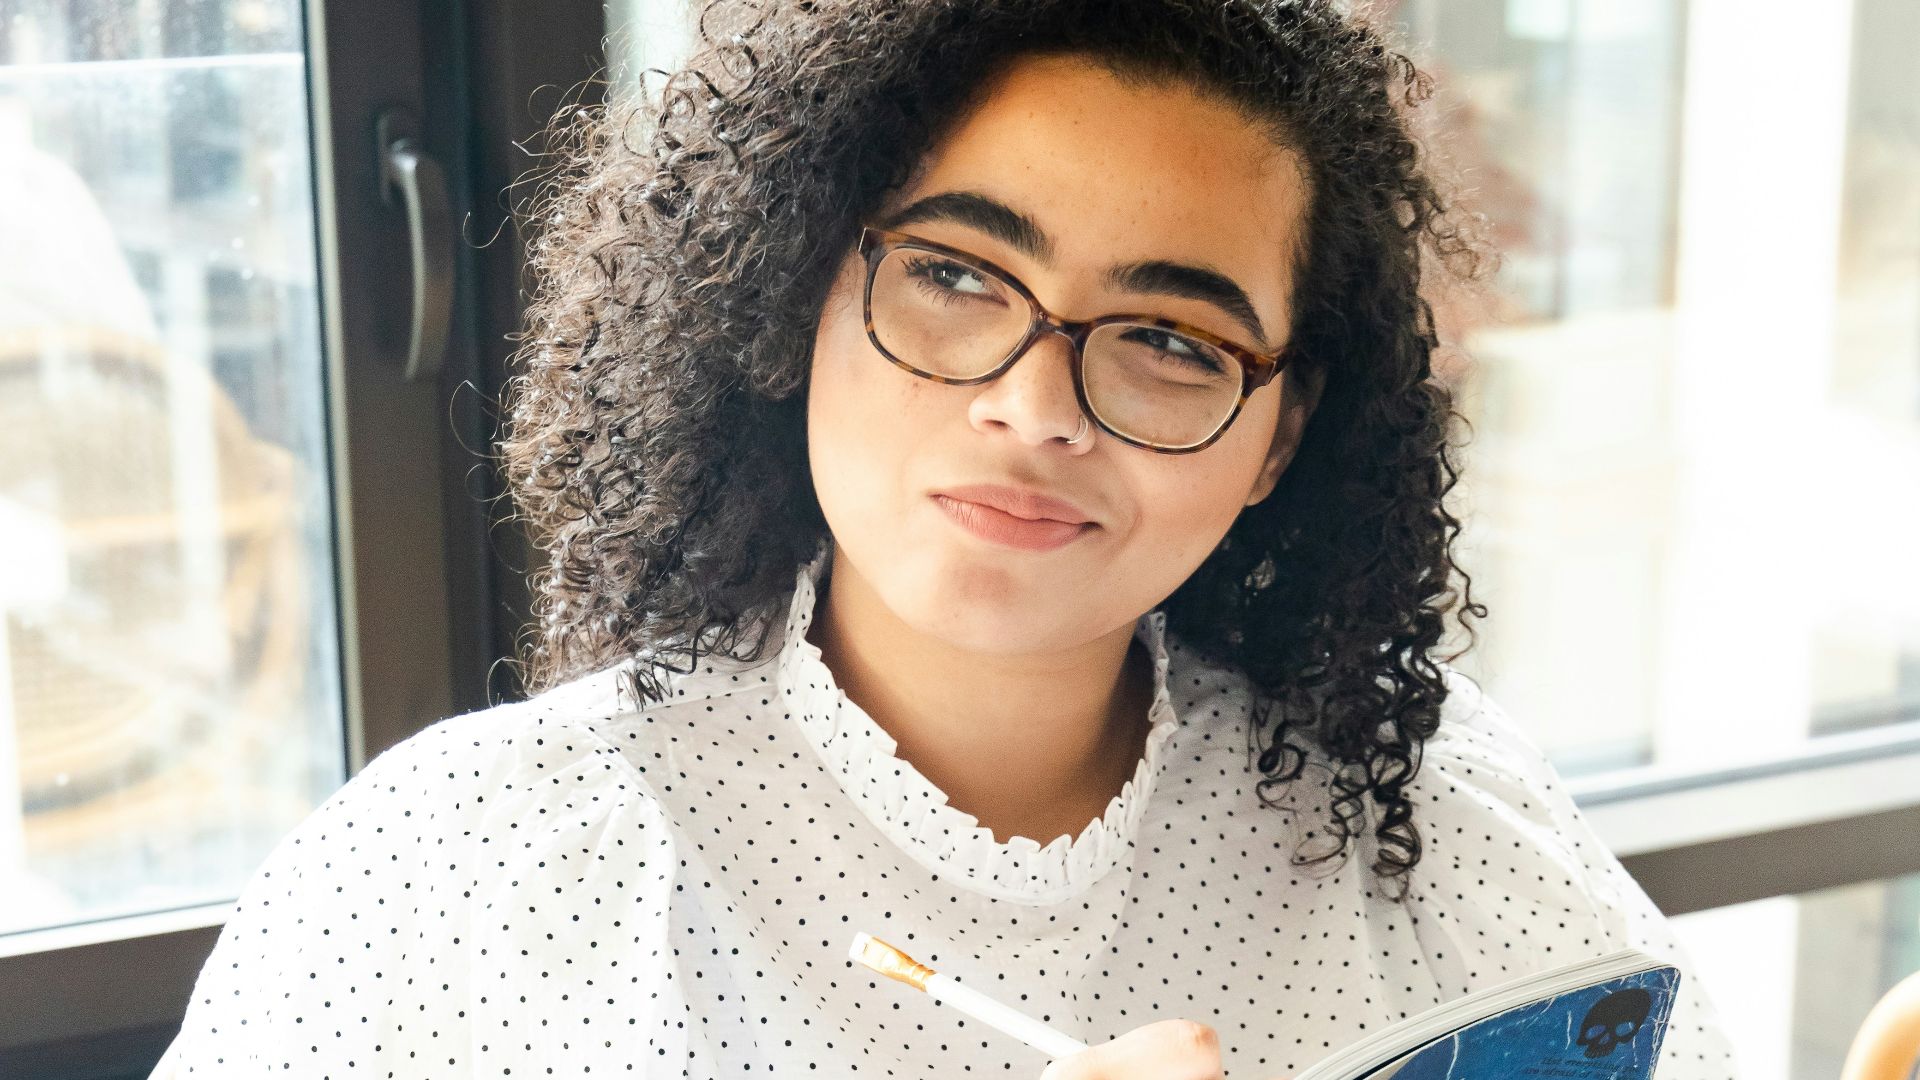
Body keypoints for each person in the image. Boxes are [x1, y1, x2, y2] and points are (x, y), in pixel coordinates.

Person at [151, 1, 1740, 1076]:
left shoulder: (1432, 818)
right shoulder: (461, 872)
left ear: (1283, 438)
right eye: (960, 278)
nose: (1039, 407)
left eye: (1171, 341)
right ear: (796, 291)